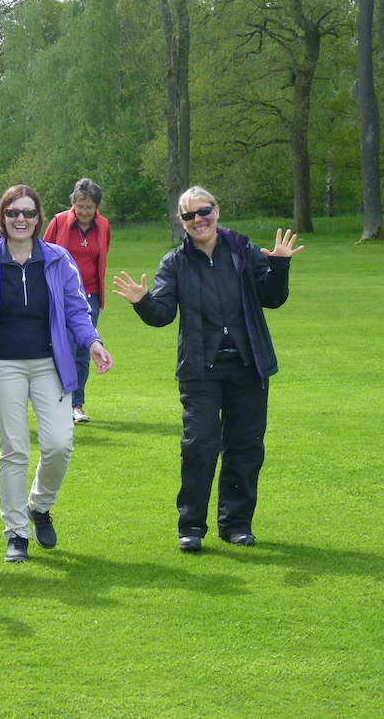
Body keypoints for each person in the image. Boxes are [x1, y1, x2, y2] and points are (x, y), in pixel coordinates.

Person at [113, 186, 303, 553]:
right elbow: (162, 315)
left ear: (217, 211)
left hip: (248, 366)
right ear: (181, 222)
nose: (199, 220)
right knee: (200, 445)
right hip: (200, 369)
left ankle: (236, 525)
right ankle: (191, 527)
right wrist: (142, 301)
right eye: (189, 215)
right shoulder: (175, 263)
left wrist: (280, 264)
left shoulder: (244, 251)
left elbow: (272, 298)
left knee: (245, 446)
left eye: (205, 211)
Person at [0, 185, 113, 563]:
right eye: (12, 212)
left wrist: (93, 341)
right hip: (2, 365)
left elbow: (76, 311)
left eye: (28, 212)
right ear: (1, 217)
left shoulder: (57, 258)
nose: (20, 219)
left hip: (49, 364)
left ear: (39, 218)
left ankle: (38, 506)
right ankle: (16, 534)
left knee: (59, 444)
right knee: (15, 451)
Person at [43, 178, 112, 424]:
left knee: (85, 349)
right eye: (80, 206)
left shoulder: (104, 225)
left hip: (90, 295)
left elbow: (102, 256)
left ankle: (76, 404)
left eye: (89, 207)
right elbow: (43, 252)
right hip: (60, 295)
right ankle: (58, 400)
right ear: (73, 202)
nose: (83, 211)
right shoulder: (59, 222)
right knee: (66, 347)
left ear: (97, 207)